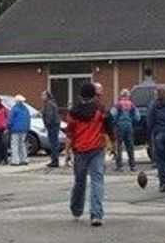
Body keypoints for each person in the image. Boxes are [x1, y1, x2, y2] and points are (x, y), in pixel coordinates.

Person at [66, 81, 114, 227]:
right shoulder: (101, 110)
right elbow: (109, 128)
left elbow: (70, 133)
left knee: (79, 181)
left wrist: (67, 151)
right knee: (97, 181)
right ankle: (96, 214)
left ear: (80, 95)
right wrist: (114, 144)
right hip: (96, 149)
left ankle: (76, 208)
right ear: (94, 95)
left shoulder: (73, 112)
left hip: (80, 150)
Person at [110, 89, 139, 171]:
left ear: (121, 95)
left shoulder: (118, 104)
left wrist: (114, 123)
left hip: (119, 126)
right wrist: (131, 120)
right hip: (129, 126)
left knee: (118, 146)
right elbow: (137, 117)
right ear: (128, 96)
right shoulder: (132, 105)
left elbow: (113, 115)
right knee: (130, 146)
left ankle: (119, 166)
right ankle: (132, 166)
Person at [8, 94, 31, 166]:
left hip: (15, 129)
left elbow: (10, 120)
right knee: (22, 144)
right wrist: (27, 128)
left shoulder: (14, 109)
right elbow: (28, 120)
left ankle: (15, 161)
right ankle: (24, 159)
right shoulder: (26, 109)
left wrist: (8, 127)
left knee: (14, 145)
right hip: (24, 129)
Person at [41, 90, 61, 168]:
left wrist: (46, 125)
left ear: (47, 96)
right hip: (55, 125)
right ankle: (54, 160)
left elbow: (49, 115)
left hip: (52, 126)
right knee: (54, 142)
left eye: (43, 95)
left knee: (53, 143)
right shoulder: (52, 103)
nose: (41, 97)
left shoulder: (49, 104)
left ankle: (54, 161)